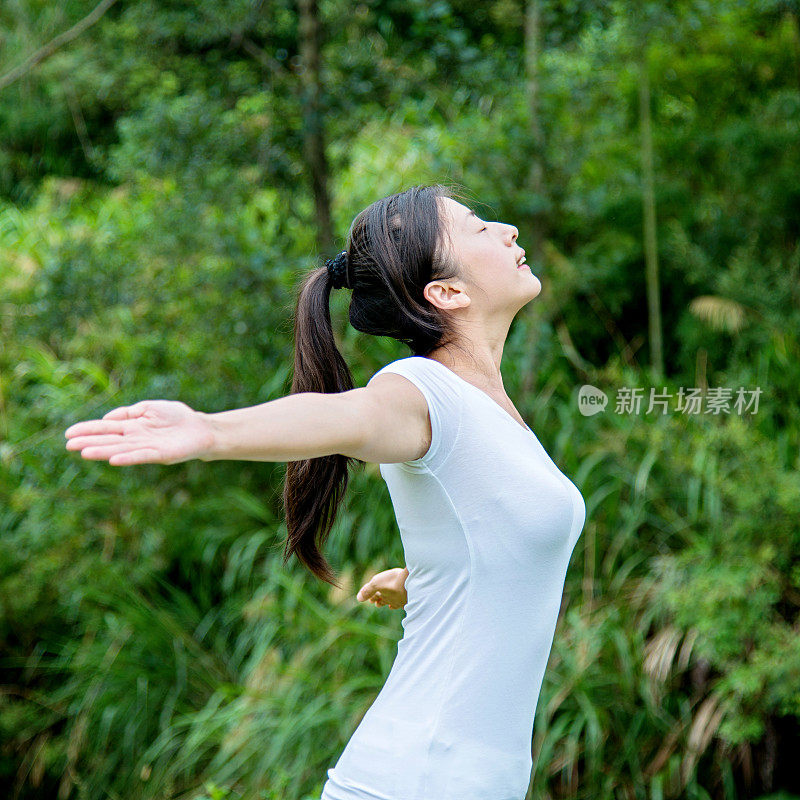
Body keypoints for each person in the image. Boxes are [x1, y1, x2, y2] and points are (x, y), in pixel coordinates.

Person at [64, 183, 586, 800]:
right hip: (419, 779)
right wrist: (210, 431)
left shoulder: (489, 410)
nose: (508, 230)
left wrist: (435, 577)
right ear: (447, 292)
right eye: (478, 228)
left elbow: (497, 538)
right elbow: (347, 418)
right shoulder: (422, 389)